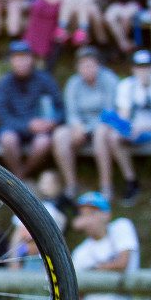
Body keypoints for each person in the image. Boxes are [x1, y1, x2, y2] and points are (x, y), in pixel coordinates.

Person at [100, 50, 151, 206]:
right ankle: (131, 180)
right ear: (133, 69)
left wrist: (142, 127)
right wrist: (127, 128)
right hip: (137, 127)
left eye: (147, 66)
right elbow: (124, 115)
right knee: (114, 137)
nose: (144, 70)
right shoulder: (126, 85)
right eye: (140, 67)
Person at [56, 47, 118, 201]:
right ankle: (71, 185)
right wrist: (77, 126)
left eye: (91, 65)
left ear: (98, 65)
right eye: (83, 65)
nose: (87, 69)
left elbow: (111, 110)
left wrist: (88, 128)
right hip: (81, 126)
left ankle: (106, 185)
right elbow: (71, 111)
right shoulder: (73, 83)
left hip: (104, 125)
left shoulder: (109, 80)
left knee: (100, 134)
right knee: (60, 136)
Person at [0, 40, 62, 180]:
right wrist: (27, 125)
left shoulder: (45, 79)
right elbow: (2, 116)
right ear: (11, 61)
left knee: (43, 142)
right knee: (7, 139)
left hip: (41, 130)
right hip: (14, 128)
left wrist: (52, 122)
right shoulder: (4, 83)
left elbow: (60, 108)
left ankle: (21, 177)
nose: (21, 62)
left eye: (25, 57)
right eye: (17, 58)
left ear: (32, 59)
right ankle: (21, 178)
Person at [70, 191, 139, 300]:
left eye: (93, 213)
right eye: (84, 214)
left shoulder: (121, 227)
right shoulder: (80, 252)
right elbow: (76, 291)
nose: (88, 219)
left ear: (106, 215)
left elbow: (123, 263)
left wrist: (94, 269)